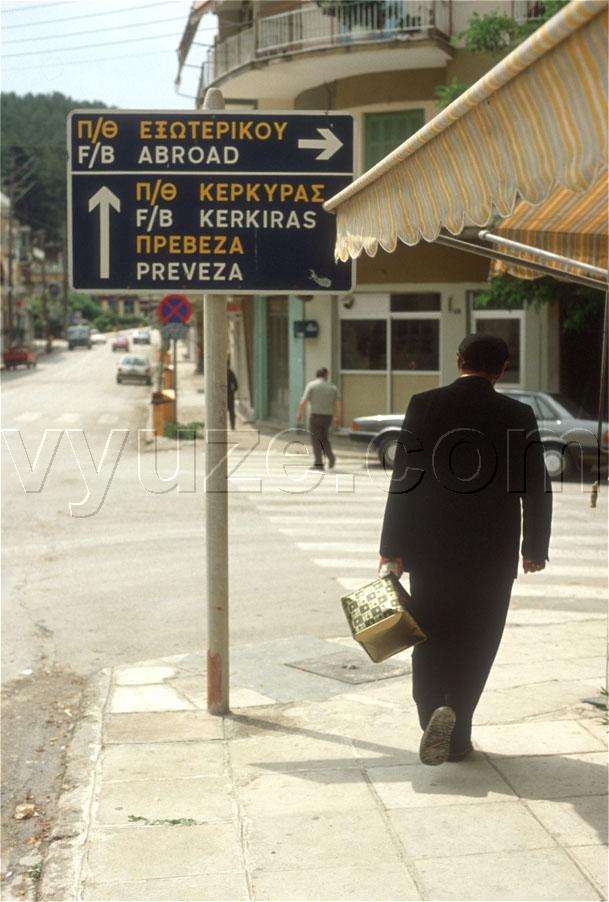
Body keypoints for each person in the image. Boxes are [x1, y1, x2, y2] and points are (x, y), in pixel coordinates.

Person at [379, 334, 552, 766]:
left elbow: (405, 477)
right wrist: (535, 547)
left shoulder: (424, 404)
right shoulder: (518, 413)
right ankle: (457, 721)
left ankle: (432, 714)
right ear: (502, 369)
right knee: (478, 640)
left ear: (458, 360)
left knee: (431, 636)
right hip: (492, 552)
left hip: (432, 548)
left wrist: (393, 547)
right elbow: (535, 485)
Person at [296, 367, 341, 470]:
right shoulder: (333, 388)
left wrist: (299, 413)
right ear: (326, 375)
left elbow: (304, 400)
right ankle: (331, 457)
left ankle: (319, 463)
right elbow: (338, 403)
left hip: (315, 416)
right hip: (328, 417)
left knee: (316, 440)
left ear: (317, 375)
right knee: (325, 438)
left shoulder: (311, 385)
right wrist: (338, 417)